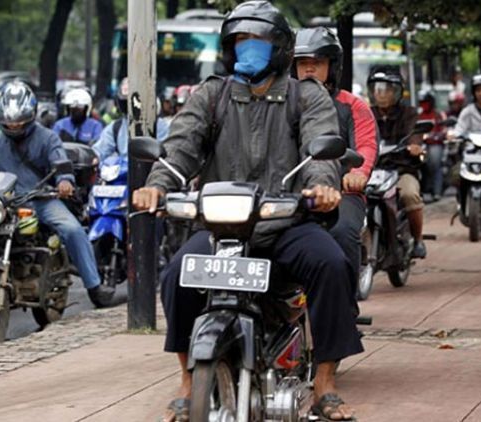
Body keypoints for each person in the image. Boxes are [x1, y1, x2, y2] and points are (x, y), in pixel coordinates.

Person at [131, 2, 362, 421]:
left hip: (285, 225)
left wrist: (322, 184)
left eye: (257, 40)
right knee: (176, 275)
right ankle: (187, 380)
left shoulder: (304, 95)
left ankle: (325, 382)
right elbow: (181, 146)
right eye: (239, 41)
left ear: (279, 48)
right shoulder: (212, 94)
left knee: (332, 263)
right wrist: (156, 186)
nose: (248, 48)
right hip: (222, 229)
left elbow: (321, 144)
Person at [0, 81, 115, 308]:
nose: (14, 126)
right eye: (10, 122)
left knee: (71, 229)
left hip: (42, 200)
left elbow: (61, 163)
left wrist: (65, 181)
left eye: (19, 121)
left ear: (30, 115)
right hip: (7, 203)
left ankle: (95, 287)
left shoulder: (48, 137)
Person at [293, 27, 378, 293]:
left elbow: (365, 144)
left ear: (332, 66)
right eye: (303, 63)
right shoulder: (281, 103)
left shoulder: (353, 105)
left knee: (341, 232)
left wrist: (359, 173)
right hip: (289, 193)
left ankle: (345, 306)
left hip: (341, 191)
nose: (309, 70)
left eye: (316, 63)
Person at [368, 66, 428, 258]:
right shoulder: (366, 113)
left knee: (410, 195)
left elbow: (416, 133)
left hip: (401, 170)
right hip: (372, 171)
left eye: (386, 89)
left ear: (396, 91)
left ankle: (418, 240)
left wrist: (414, 146)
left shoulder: (409, 113)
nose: (381, 94)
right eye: (377, 89)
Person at [93, 78, 170, 162]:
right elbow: (99, 152)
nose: (132, 107)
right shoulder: (115, 127)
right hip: (121, 172)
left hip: (151, 171)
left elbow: (167, 154)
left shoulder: (160, 126)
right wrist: (93, 159)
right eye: (127, 103)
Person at [417, 90, 448, 202]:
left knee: (435, 164)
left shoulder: (439, 114)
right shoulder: (419, 115)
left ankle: (437, 191)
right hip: (423, 144)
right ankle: (424, 190)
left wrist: (437, 136)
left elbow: (445, 130)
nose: (424, 105)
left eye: (426, 102)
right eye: (422, 102)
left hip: (436, 144)